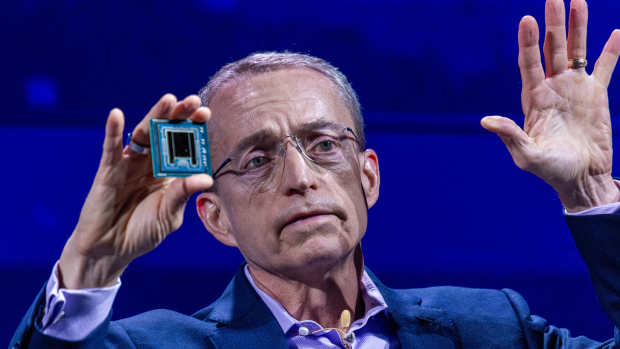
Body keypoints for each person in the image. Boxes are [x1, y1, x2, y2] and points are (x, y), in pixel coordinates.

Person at [9, 0, 620, 347]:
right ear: (215, 217)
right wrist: (89, 268)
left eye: (324, 144)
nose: (300, 177)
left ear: (369, 178)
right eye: (255, 160)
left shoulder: (491, 329)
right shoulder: (155, 346)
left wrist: (590, 192)